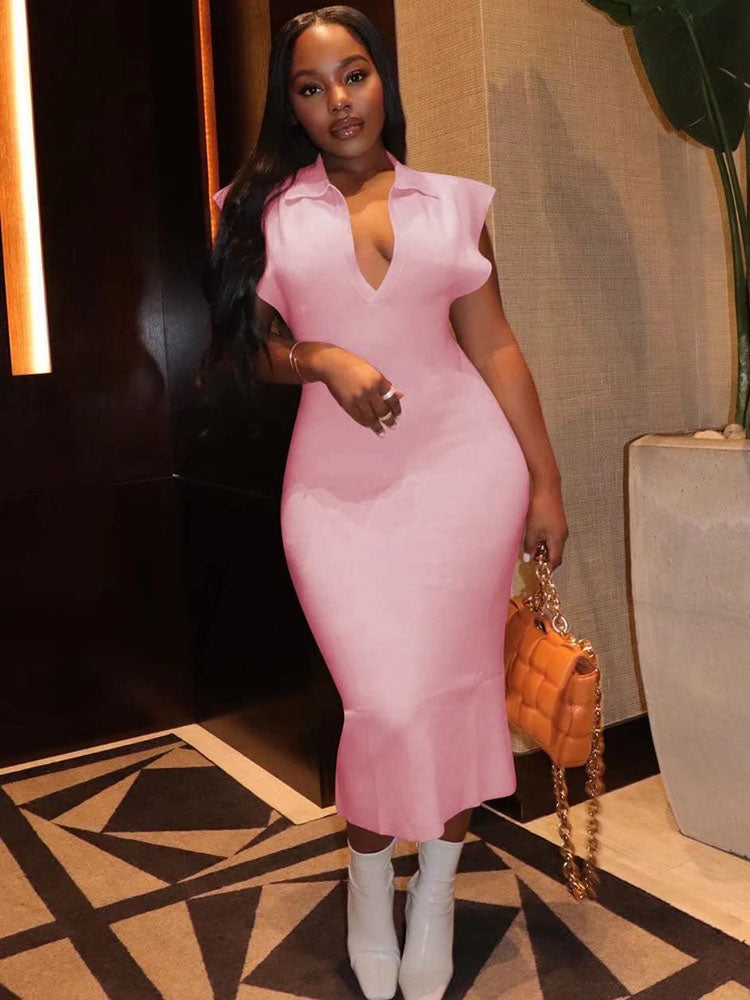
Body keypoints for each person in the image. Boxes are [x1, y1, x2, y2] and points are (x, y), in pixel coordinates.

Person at [202, 7, 568, 1000]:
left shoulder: (453, 205)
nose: (338, 102)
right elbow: (253, 349)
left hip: (465, 480)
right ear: (291, 106)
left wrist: (544, 480)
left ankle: (435, 892)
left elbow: (495, 346)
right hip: (335, 500)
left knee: (454, 698)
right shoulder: (264, 210)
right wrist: (321, 356)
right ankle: (371, 888)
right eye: (310, 87)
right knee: (384, 706)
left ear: (382, 80)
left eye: (354, 75)